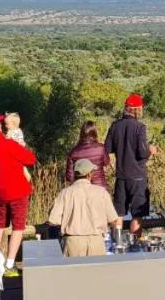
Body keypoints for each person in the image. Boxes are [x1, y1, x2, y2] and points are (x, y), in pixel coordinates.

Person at [0, 113, 38, 274]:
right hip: (18, 191)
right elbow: (31, 159)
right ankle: (10, 264)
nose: (0, 125)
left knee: (0, 225)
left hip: (0, 193)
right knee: (18, 227)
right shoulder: (8, 144)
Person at [104, 94, 158, 235]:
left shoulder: (115, 126)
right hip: (137, 176)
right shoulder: (139, 127)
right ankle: (136, 247)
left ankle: (117, 244)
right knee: (137, 215)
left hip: (121, 176)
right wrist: (150, 151)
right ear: (137, 109)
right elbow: (142, 153)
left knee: (118, 214)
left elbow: (107, 149)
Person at [48, 159, 122, 257]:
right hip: (96, 242)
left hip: (73, 242)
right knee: (96, 272)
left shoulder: (65, 193)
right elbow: (114, 220)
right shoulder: (101, 192)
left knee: (74, 272)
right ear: (89, 174)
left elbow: (53, 220)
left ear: (75, 174)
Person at [64, 121, 110, 189]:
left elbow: (69, 177)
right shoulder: (101, 148)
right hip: (99, 187)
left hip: (80, 189)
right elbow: (107, 162)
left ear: (81, 134)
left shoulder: (73, 152)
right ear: (94, 133)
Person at [4, 112, 34, 183]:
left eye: (7, 124)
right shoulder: (19, 131)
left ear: (13, 124)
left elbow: (6, 143)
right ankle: (28, 179)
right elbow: (21, 142)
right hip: (20, 152)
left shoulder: (10, 132)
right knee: (22, 168)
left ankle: (25, 178)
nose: (5, 126)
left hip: (13, 154)